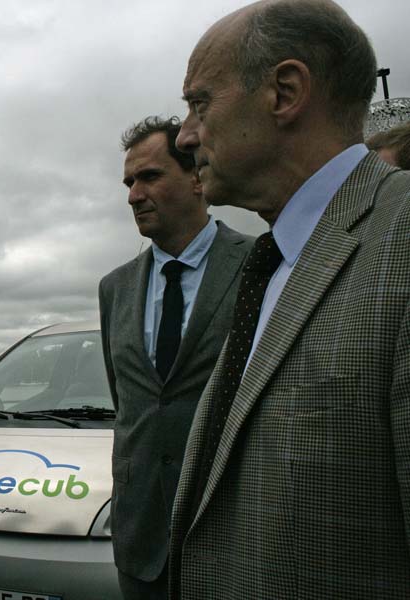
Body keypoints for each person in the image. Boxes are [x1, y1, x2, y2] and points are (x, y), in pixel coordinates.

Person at [169, 1, 410, 598]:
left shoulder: (399, 239)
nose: (185, 135)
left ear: (284, 92)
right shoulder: (274, 258)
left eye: (200, 103)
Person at [99, 116, 252, 600]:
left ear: (196, 177)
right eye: (128, 182)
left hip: (235, 530)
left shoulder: (261, 265)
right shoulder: (115, 287)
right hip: (141, 539)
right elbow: (130, 402)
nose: (133, 195)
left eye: (149, 177)